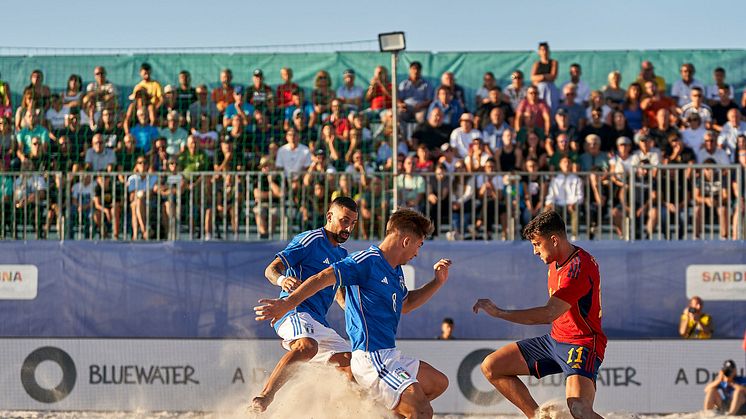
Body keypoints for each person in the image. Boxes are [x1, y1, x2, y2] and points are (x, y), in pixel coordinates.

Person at [255, 208, 451, 418]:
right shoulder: (365, 260)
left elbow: (407, 303)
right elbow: (323, 277)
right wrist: (287, 303)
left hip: (388, 354)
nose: (417, 253)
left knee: (439, 383)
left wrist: (437, 282)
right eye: (418, 245)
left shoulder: (395, 270)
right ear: (405, 241)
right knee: (422, 410)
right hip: (371, 357)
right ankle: (265, 396)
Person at [474, 210, 606, 419]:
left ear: (554, 240)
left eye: (537, 244)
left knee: (580, 409)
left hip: (582, 343)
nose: (535, 251)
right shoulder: (555, 262)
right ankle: (537, 417)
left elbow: (548, 314)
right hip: (554, 340)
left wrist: (499, 312)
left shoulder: (578, 268)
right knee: (492, 366)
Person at [250, 197, 359, 412]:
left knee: (354, 365)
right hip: (293, 311)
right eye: (344, 220)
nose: (348, 228)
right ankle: (264, 398)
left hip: (318, 321)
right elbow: (271, 269)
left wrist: (354, 309)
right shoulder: (310, 240)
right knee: (307, 346)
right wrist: (282, 280)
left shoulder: (342, 254)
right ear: (329, 216)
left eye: (353, 223)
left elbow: (339, 293)